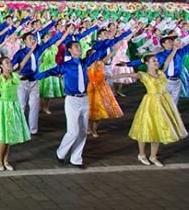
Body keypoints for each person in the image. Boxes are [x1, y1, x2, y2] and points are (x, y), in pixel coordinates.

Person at [34, 31, 130, 167]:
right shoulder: (66, 66)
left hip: (84, 98)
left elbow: (101, 50)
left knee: (83, 130)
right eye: (76, 47)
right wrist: (35, 77)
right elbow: (49, 72)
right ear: (70, 50)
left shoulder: (86, 63)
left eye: (79, 47)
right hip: (72, 100)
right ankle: (60, 153)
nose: (79, 48)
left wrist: (122, 36)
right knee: (73, 131)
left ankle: (76, 159)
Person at [116, 54, 188, 166]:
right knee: (145, 127)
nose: (156, 62)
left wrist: (174, 50)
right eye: (153, 61)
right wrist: (109, 77)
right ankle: (142, 154)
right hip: (150, 103)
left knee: (158, 128)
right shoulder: (143, 75)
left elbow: (168, 60)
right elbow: (129, 74)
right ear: (147, 63)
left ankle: (153, 156)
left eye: (156, 61)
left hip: (163, 103)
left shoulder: (161, 72)